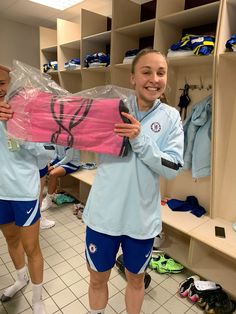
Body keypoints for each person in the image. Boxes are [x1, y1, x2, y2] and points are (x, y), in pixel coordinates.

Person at [82, 48, 184, 314]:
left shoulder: (171, 117)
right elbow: (69, 134)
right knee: (97, 279)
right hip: (103, 216)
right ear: (132, 78)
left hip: (141, 220)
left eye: (161, 72)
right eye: (146, 71)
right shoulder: (110, 109)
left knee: (136, 280)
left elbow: (173, 168)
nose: (154, 78)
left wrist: (139, 139)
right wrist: (21, 120)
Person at [0, 64, 50, 314]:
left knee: (32, 247)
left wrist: (18, 132)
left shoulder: (26, 113)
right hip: (0, 193)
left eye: (1, 82)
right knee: (11, 239)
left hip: (24, 192)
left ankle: (38, 298)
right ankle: (20, 279)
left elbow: (45, 156)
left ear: (11, 84)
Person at [41, 145, 81, 211]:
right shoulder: (57, 139)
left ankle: (48, 200)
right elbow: (55, 155)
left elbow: (68, 158)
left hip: (72, 163)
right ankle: (50, 193)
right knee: (43, 167)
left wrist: (54, 166)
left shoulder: (70, 140)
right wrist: (49, 163)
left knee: (52, 174)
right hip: (60, 160)